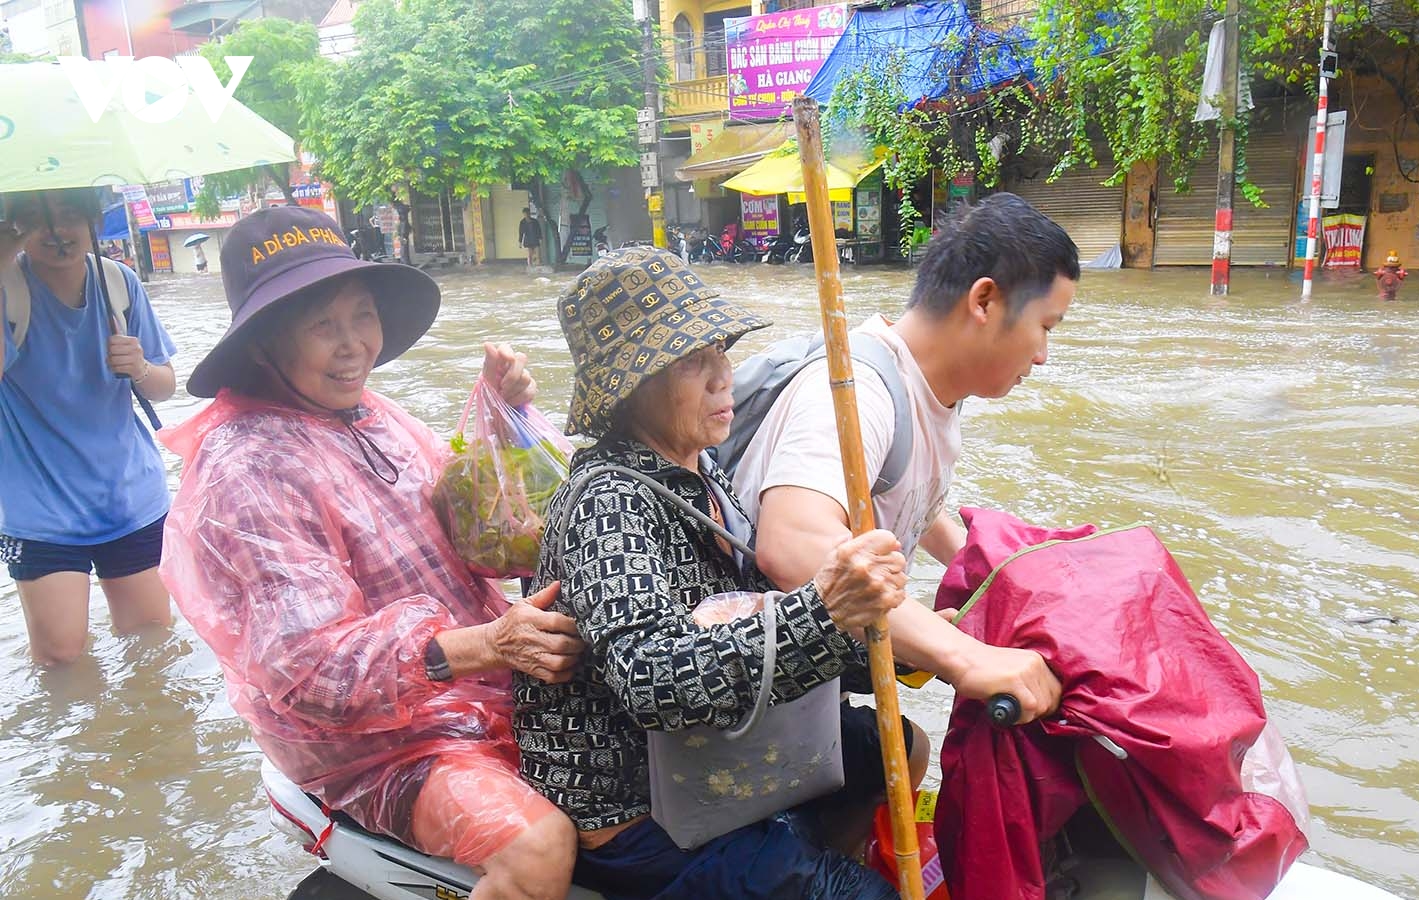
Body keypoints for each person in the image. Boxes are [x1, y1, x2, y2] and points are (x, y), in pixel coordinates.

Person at [159, 206, 583, 900]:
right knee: (537, 849)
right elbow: (307, 670)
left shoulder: (373, 413)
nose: (352, 344)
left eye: (361, 316)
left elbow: (480, 541)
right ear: (266, 342)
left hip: (481, 682)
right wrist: (487, 645)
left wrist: (503, 430)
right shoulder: (250, 469)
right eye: (323, 325)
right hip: (377, 748)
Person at [516, 246, 917, 900]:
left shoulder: (707, 473)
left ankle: (801, 860)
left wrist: (893, 642)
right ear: (633, 385)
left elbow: (751, 616)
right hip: (635, 803)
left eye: (720, 353)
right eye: (692, 361)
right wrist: (821, 609)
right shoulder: (605, 503)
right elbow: (654, 680)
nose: (722, 377)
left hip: (717, 758)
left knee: (889, 743)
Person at [731, 192, 1076, 723]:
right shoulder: (857, 391)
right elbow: (793, 545)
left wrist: (992, 572)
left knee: (910, 751)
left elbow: (904, 494)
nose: (1042, 355)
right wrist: (965, 657)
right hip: (748, 689)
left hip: (813, 678)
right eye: (1045, 326)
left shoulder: (934, 390)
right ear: (983, 302)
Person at [0, 188, 178, 666]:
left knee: (152, 646)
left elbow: (164, 385)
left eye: (69, 215)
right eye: (36, 218)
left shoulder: (119, 284)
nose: (56, 232)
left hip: (129, 498)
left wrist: (139, 367)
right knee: (60, 658)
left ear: (93, 221)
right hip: (39, 511)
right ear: (13, 226)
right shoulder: (8, 292)